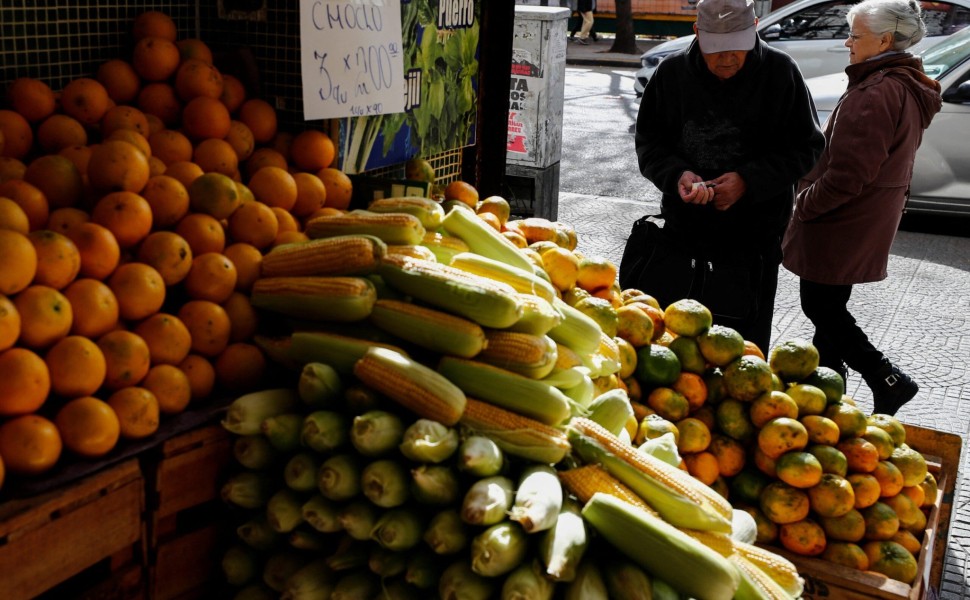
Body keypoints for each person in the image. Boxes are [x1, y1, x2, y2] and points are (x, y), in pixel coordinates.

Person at [633, 0, 824, 353]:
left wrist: (748, 182)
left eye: (737, 46)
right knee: (676, 345)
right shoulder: (671, 73)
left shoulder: (781, 72)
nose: (727, 58)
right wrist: (677, 177)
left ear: (754, 26)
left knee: (742, 349)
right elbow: (649, 143)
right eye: (716, 49)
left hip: (754, 238)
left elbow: (807, 146)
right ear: (696, 33)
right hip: (682, 232)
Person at [781, 0, 941, 416]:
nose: (847, 42)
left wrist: (804, 205)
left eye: (855, 35)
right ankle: (828, 397)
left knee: (821, 307)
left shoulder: (876, 92)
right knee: (828, 310)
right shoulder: (898, 81)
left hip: (841, 222)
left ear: (884, 40)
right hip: (862, 219)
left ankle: (887, 378)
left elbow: (848, 176)